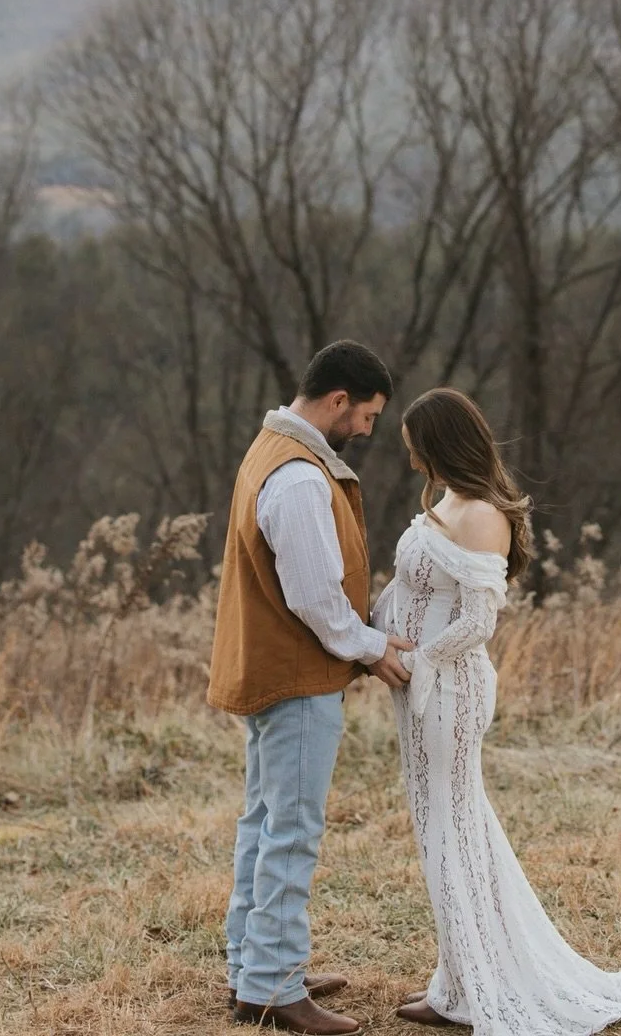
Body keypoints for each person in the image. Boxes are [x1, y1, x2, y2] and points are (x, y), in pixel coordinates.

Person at [373, 386, 621, 1033]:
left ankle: (479, 986)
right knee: (443, 830)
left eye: (416, 449)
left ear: (441, 444)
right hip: (417, 691)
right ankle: (461, 977)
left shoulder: (483, 516)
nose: (412, 462)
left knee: (451, 833)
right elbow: (408, 588)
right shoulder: (446, 501)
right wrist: (367, 640)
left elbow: (478, 622)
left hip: (449, 691)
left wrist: (417, 661)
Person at [207, 339, 415, 1035]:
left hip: (275, 673)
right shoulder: (298, 477)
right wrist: (373, 648)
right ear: (338, 400)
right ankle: (272, 986)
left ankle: (254, 968)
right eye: (367, 416)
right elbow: (316, 599)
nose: (368, 430)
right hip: (296, 680)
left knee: (265, 823)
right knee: (290, 832)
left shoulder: (271, 450)